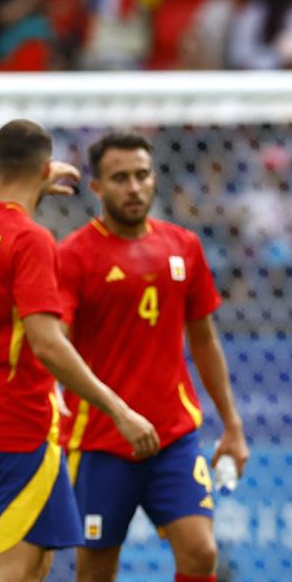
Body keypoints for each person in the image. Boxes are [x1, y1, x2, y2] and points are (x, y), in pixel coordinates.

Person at [0, 119, 160, 582]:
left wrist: (12, 184)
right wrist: (118, 410)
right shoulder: (31, 239)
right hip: (19, 426)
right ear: (43, 171)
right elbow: (48, 343)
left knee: (36, 564)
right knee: (18, 570)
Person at [58, 134, 250, 582]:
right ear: (98, 188)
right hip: (100, 441)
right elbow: (55, 345)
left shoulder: (183, 246)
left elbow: (203, 341)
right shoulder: (73, 256)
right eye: (120, 178)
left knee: (201, 552)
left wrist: (233, 425)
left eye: (142, 175)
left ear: (154, 179)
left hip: (173, 435)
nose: (134, 187)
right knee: (97, 571)